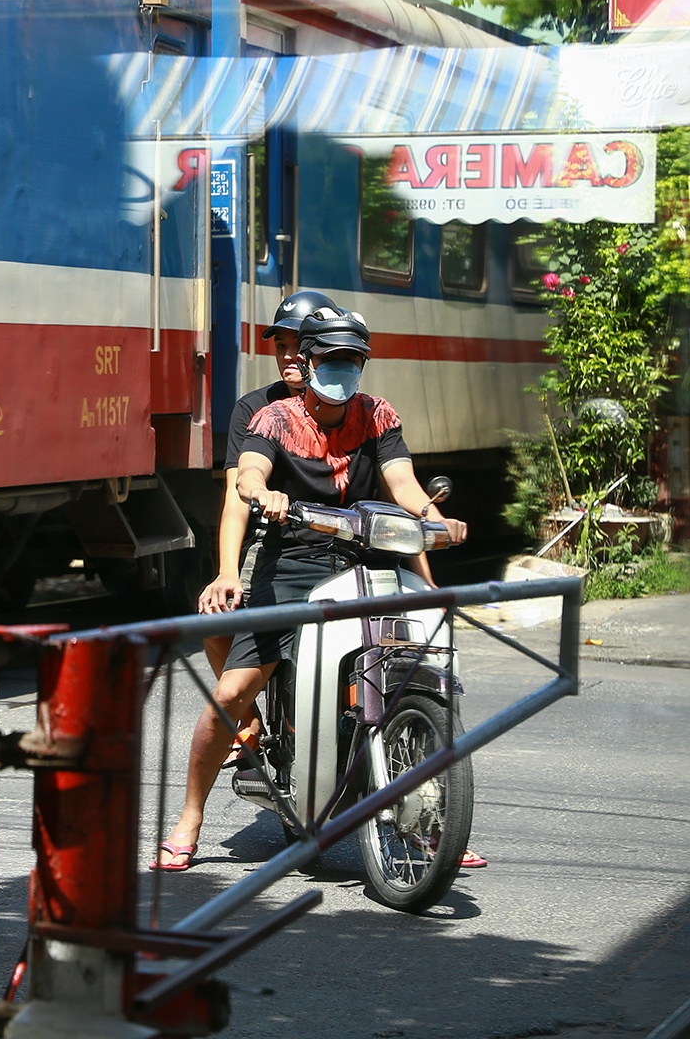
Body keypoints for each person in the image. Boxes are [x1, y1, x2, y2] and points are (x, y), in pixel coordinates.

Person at [153, 305, 476, 872]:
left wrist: (435, 518)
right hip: (294, 564)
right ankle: (190, 818)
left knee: (417, 664)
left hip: (368, 553)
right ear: (307, 360)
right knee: (232, 694)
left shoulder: (378, 414)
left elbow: (403, 482)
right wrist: (264, 492)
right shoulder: (272, 417)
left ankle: (438, 819)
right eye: (330, 359)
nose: (341, 369)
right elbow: (249, 473)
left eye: (352, 360)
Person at [195, 289, 334, 760]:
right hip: (272, 544)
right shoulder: (255, 409)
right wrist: (227, 572)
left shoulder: (359, 407)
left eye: (301, 345)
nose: (290, 356)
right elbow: (237, 496)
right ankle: (248, 715)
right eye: (281, 347)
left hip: (335, 545)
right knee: (215, 617)